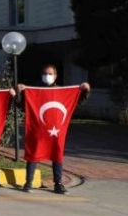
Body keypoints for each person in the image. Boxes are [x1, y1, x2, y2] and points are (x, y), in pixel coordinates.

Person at [16, 64, 91, 195]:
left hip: (57, 131)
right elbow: (21, 105)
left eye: (50, 74)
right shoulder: (35, 91)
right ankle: (28, 183)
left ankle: (58, 184)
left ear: (55, 76)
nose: (47, 76)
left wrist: (85, 91)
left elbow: (77, 102)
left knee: (57, 154)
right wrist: (19, 92)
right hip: (38, 130)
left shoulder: (61, 91)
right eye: (45, 73)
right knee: (34, 153)